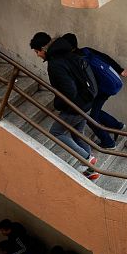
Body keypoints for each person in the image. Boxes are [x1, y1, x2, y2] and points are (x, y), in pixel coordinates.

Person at [29, 32, 100, 180]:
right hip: (87, 102)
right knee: (77, 135)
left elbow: (69, 90)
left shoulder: (55, 63)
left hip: (75, 107)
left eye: (37, 51)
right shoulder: (67, 54)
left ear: (43, 48)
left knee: (56, 132)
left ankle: (87, 159)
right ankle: (91, 170)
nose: (37, 55)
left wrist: (58, 104)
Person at [61, 33, 127, 150]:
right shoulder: (86, 50)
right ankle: (117, 126)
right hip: (108, 85)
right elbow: (105, 57)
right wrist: (120, 70)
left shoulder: (75, 60)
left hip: (98, 90)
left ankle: (108, 142)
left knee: (89, 116)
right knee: (95, 111)